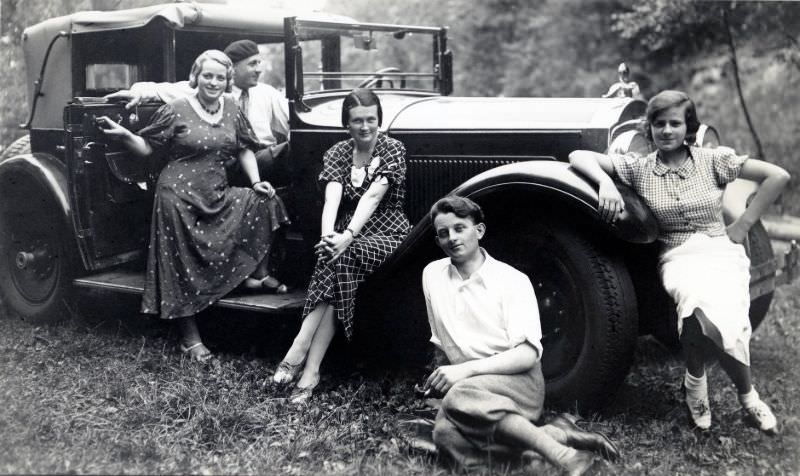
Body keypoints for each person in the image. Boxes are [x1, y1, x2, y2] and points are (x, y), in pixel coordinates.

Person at [569, 90, 790, 434]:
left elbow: (778, 176)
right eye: (659, 124)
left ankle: (748, 397)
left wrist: (743, 224)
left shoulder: (712, 160)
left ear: (688, 126)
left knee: (730, 321)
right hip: (678, 256)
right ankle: (696, 387)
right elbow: (578, 155)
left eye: (675, 123)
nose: (667, 131)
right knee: (694, 312)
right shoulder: (640, 169)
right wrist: (605, 184)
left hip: (720, 251)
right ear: (650, 129)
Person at [99, 50, 291, 361]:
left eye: (219, 77)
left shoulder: (230, 107)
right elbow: (148, 148)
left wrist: (256, 181)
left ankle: (256, 275)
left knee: (264, 201)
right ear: (196, 77)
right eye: (207, 76)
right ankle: (190, 339)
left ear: (228, 80)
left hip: (216, 192)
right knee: (181, 262)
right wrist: (124, 135)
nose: (213, 82)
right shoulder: (175, 108)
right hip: (177, 196)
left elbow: (243, 147)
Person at [420, 196, 619, 475]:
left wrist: (464, 374)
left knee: (458, 397)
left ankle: (567, 457)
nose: (451, 238)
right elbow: (441, 339)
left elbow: (526, 355)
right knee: (444, 435)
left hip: (519, 382)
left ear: (479, 231)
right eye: (443, 233)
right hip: (470, 387)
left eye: (459, 228)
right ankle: (554, 436)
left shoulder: (511, 280)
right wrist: (439, 381)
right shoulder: (432, 275)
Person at [271, 88, 411, 404]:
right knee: (334, 256)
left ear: (379, 121)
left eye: (370, 120)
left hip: (387, 230)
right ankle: (311, 371)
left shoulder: (393, 149)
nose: (365, 127)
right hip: (345, 232)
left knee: (341, 253)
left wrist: (345, 235)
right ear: (346, 124)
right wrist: (327, 238)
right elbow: (332, 198)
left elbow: (374, 198)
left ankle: (300, 349)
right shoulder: (337, 152)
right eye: (357, 121)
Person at [106, 39, 291, 186]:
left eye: (259, 62)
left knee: (295, 147)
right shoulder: (204, 89)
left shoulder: (267, 92)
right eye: (252, 64)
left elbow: (293, 125)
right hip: (225, 163)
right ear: (233, 69)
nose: (259, 69)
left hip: (259, 160)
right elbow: (153, 89)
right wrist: (136, 94)